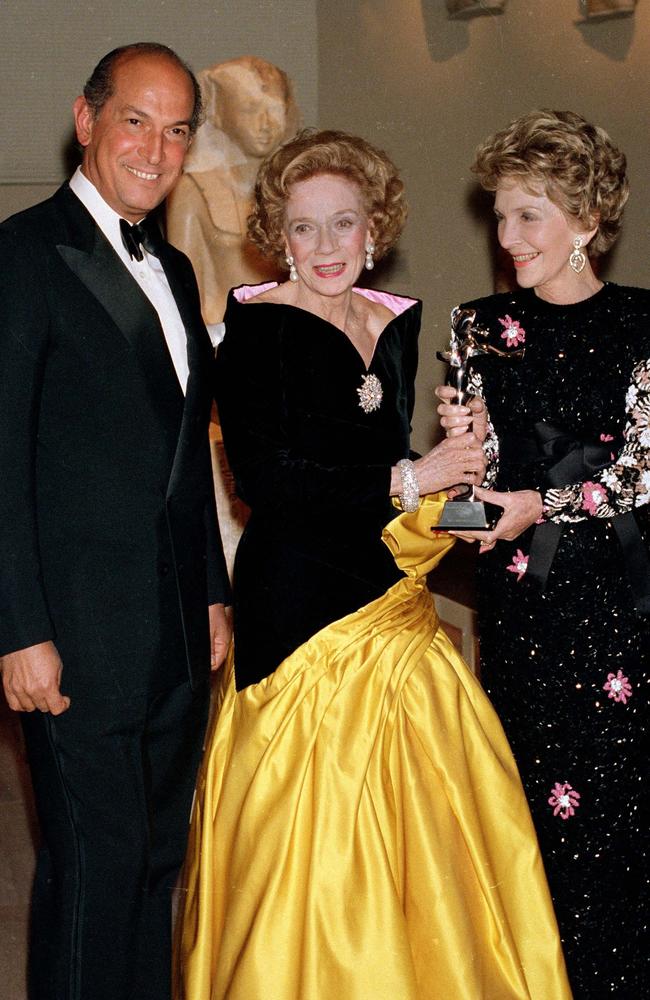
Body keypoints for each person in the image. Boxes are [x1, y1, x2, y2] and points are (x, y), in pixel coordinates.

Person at [176, 129, 572, 1000]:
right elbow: (270, 482)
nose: (325, 247)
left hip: (395, 607)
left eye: (344, 225)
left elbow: (401, 485)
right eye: (306, 228)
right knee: (312, 863)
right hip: (301, 619)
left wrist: (464, 472)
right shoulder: (252, 334)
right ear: (280, 234)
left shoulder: (397, 322)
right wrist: (410, 476)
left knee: (432, 852)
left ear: (373, 230)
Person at [0, 43, 231, 1000]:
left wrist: (213, 594)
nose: (156, 147)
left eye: (177, 129)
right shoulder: (19, 256)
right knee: (94, 873)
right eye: (136, 119)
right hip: (75, 636)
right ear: (86, 119)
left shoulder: (175, 270)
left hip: (177, 632)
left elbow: (186, 462)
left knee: (152, 869)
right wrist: (18, 632)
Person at [437, 109, 649, 996]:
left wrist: (543, 502)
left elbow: (641, 476)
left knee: (622, 822)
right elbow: (471, 481)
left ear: (588, 222)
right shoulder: (476, 324)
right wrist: (462, 469)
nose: (506, 234)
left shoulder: (645, 325)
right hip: (521, 612)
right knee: (522, 814)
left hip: (619, 614)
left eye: (530, 214)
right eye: (500, 212)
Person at [166, 56, 300, 324]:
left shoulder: (298, 190)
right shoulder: (193, 191)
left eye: (274, 110)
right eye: (250, 109)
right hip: (222, 338)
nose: (265, 124)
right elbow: (186, 294)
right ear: (219, 113)